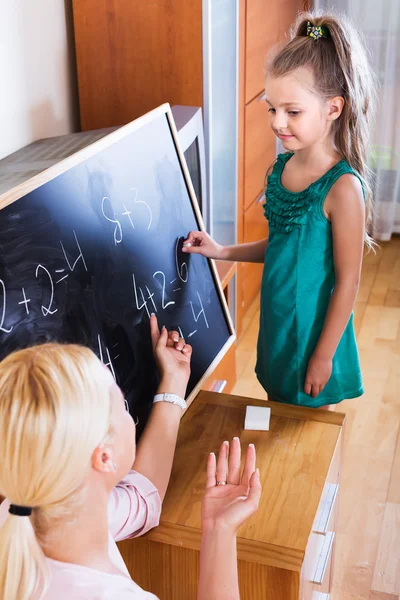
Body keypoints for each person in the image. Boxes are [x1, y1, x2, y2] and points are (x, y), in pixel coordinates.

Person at [183, 11, 376, 409]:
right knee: (278, 412)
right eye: (272, 109)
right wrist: (222, 251)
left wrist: (323, 356)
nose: (277, 122)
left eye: (292, 111)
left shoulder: (342, 188)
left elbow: (348, 282)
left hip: (314, 334)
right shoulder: (282, 169)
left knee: (307, 435)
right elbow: (279, 247)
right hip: (279, 327)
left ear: (333, 109)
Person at [0, 314, 261, 600]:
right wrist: (222, 535)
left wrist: (173, 383)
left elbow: (142, 497)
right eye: (121, 404)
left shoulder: (28, 510)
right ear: (103, 457)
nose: (129, 413)